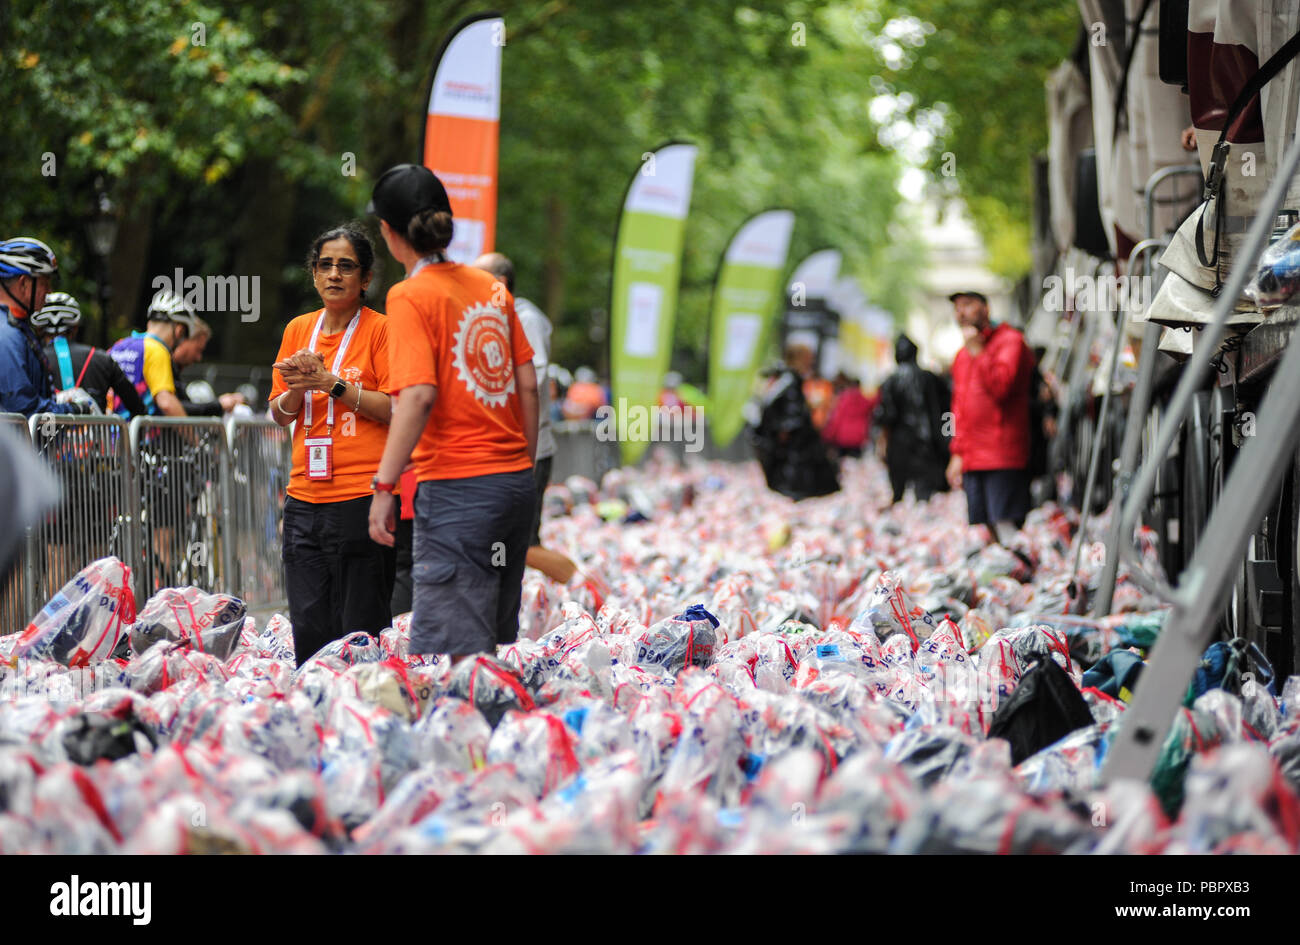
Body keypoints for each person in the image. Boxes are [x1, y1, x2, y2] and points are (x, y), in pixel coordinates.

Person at [365, 163, 539, 664]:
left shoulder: (409, 295)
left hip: (459, 489)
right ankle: (496, 732)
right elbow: (527, 385)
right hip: (513, 487)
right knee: (485, 646)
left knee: (453, 654)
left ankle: (466, 737)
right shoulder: (491, 288)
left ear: (388, 233)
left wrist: (384, 487)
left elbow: (416, 396)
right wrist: (520, 465)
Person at [269, 223, 395, 666]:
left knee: (360, 622)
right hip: (304, 495)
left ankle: (366, 712)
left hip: (362, 494)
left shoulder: (381, 330)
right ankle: (316, 711)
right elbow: (278, 413)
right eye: (325, 265)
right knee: (308, 619)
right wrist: (300, 389)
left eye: (346, 266)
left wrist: (332, 383)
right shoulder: (298, 329)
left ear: (365, 279)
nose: (334, 275)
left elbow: (396, 407)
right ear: (313, 273)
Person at [473, 252, 577, 585]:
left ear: (499, 283)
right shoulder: (493, 317)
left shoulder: (524, 317)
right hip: (507, 450)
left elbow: (532, 376)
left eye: (477, 279)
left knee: (518, 542)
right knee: (507, 540)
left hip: (525, 450)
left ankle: (582, 581)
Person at [945, 291, 1036, 543]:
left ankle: (1019, 569)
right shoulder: (961, 357)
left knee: (1005, 522)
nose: (961, 312)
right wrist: (955, 451)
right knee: (986, 524)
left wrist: (979, 352)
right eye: (957, 307)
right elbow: (954, 410)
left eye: (968, 304)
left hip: (1002, 454)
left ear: (985, 308)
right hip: (973, 456)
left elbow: (1001, 387)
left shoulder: (1011, 341)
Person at [0, 236, 94, 416]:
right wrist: (75, 410)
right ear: (24, 284)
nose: (49, 291)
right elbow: (24, 409)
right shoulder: (6, 335)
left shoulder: (17, 327)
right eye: (45, 282)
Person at [31, 292, 146, 416]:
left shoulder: (31, 359)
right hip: (97, 434)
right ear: (75, 327)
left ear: (38, 329)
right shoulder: (102, 359)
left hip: (45, 434)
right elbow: (137, 407)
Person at [749, 343, 839, 500]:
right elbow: (789, 414)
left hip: (791, 444)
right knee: (795, 482)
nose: (811, 362)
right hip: (794, 446)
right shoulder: (790, 382)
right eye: (808, 358)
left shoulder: (783, 380)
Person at [875, 335, 951, 502]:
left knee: (899, 491)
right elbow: (949, 409)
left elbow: (886, 415)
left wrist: (882, 441)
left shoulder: (891, 381)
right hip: (928, 440)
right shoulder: (931, 378)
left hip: (900, 442)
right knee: (924, 492)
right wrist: (948, 434)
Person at [107, 290, 191, 417]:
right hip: (141, 435)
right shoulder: (157, 350)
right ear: (179, 330)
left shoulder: (118, 346)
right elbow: (166, 403)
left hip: (110, 433)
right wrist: (193, 436)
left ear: (149, 322)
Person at [170, 313, 247, 416]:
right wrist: (219, 405)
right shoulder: (162, 361)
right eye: (198, 350)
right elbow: (174, 407)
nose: (198, 357)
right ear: (185, 338)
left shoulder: (174, 370)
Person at [821, 371, 873, 460]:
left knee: (843, 466)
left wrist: (827, 436)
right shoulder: (864, 400)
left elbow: (836, 419)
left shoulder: (843, 399)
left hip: (843, 439)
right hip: (858, 438)